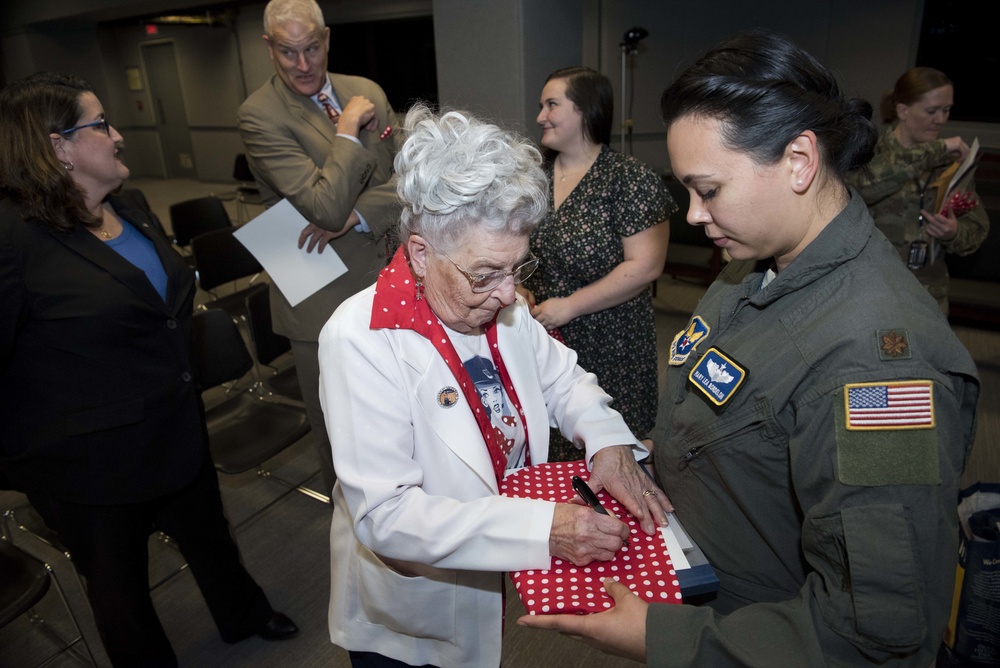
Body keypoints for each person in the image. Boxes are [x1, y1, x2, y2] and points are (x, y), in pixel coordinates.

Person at [518, 31, 980, 666]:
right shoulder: (753, 265)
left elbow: (875, 634)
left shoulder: (880, 367)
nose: (693, 215)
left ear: (798, 161)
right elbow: (735, 408)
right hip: (704, 574)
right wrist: (648, 456)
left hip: (747, 632)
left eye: (708, 190)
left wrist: (658, 637)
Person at [317, 105, 673, 668]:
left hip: (491, 556)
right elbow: (386, 515)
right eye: (486, 274)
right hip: (415, 602)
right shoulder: (359, 338)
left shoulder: (497, 306)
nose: (509, 295)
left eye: (518, 269)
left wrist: (605, 438)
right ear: (419, 252)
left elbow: (564, 378)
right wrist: (542, 528)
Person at [0, 73, 298, 667]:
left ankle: (243, 612)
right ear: (58, 146)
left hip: (173, 422)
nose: (117, 136)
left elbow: (162, 310)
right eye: (101, 124)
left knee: (210, 537)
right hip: (89, 462)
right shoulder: (14, 237)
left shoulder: (128, 206)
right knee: (120, 592)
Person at [237, 0, 402, 497]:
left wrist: (357, 212)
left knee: (396, 404)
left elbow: (412, 177)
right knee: (341, 423)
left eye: (311, 48)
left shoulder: (366, 89)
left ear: (327, 39)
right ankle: (349, 529)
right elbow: (321, 207)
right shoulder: (258, 115)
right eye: (289, 52)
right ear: (269, 48)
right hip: (312, 281)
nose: (304, 64)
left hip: (385, 266)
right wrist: (348, 130)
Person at [522, 67, 673, 458]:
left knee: (611, 452)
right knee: (552, 448)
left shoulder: (629, 178)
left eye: (552, 104)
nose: (540, 116)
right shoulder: (533, 179)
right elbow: (515, 249)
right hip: (544, 337)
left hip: (612, 343)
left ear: (586, 110)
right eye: (541, 105)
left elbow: (645, 266)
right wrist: (517, 285)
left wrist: (569, 306)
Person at [847, 67, 989, 314]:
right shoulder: (871, 151)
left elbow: (977, 228)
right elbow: (867, 187)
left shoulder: (952, 162)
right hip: (872, 287)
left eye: (946, 110)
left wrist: (954, 232)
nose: (941, 119)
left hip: (928, 293)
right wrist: (938, 148)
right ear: (903, 110)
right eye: (931, 111)